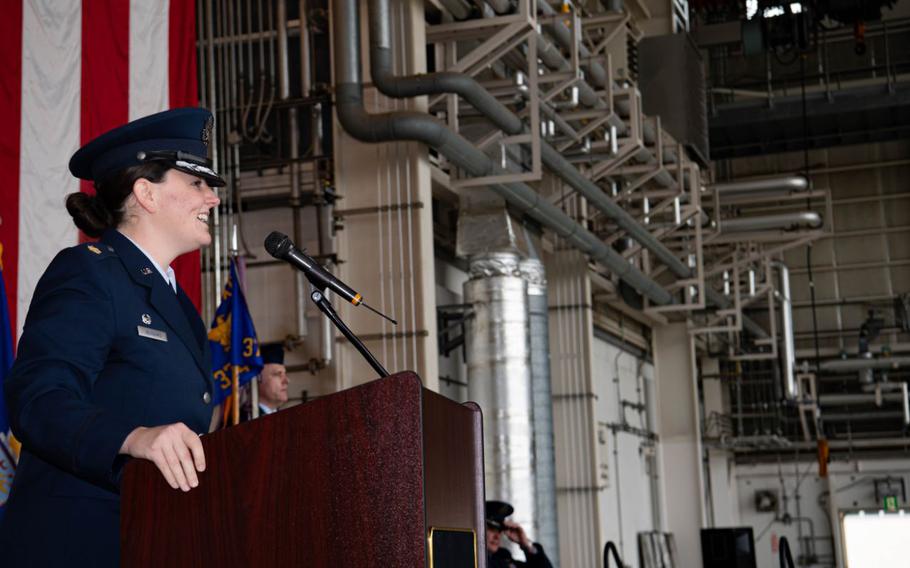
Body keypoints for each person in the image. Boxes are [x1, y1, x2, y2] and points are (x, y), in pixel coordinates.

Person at [0, 108, 225, 567]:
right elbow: (37, 397)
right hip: (76, 544)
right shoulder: (89, 272)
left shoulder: (180, 305)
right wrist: (133, 437)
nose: (212, 198)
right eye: (197, 183)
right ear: (146, 193)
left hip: (152, 539)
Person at [485, 500, 554, 568]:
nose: (497, 537)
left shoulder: (503, 557)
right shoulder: (478, 558)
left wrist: (526, 545)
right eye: (492, 529)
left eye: (500, 531)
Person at [241, 342, 289, 420]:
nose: (286, 381)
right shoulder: (241, 420)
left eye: (284, 374)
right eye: (277, 374)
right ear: (257, 379)